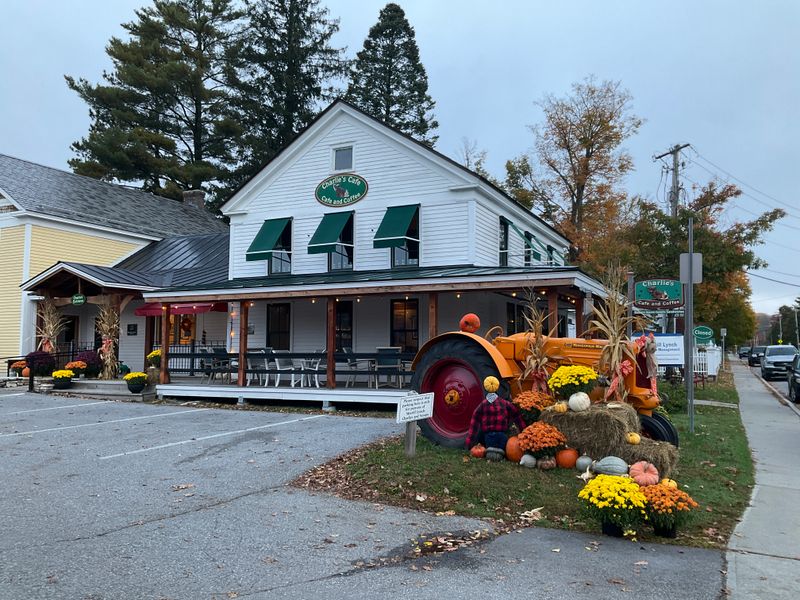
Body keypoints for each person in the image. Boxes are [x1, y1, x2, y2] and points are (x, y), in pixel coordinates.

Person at [465, 376, 526, 460]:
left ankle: (491, 451)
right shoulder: (505, 403)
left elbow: (474, 422)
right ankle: (500, 452)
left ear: (486, 388)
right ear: (497, 388)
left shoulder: (483, 405)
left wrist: (469, 443)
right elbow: (517, 416)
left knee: (482, 435)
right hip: (502, 436)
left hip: (488, 437)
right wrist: (524, 432)